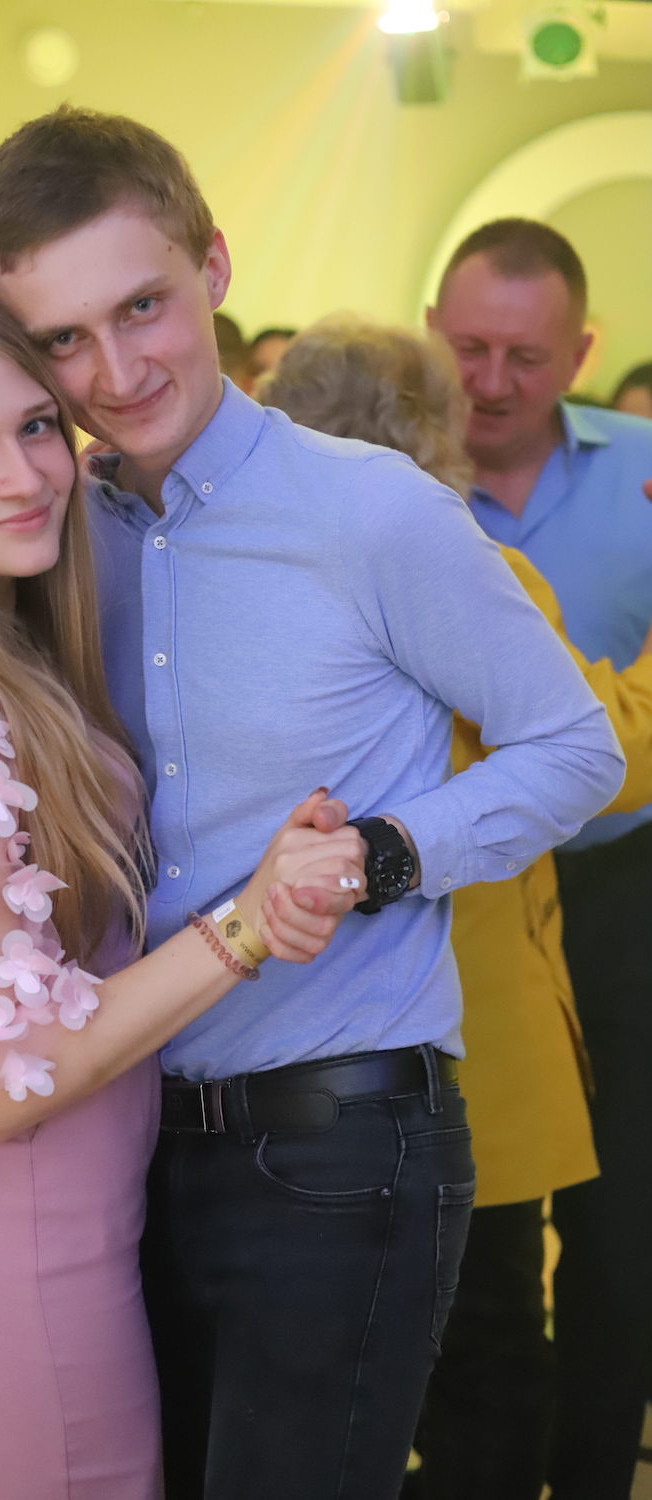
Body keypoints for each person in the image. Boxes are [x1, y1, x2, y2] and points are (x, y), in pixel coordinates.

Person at [0, 108, 625, 1500]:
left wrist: (378, 856)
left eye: (143, 306)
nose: (116, 371)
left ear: (212, 263)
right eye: (64, 340)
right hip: (126, 1137)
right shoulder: (57, 539)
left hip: (341, 1141)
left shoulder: (374, 513)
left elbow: (575, 748)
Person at [0, 279, 366, 1500]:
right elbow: (4, 1079)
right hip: (24, 1243)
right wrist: (245, 923)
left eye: (34, 427)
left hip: (50, 1220)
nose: (25, 476)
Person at [264, 313, 652, 1500]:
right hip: (465, 1038)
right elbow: (609, 759)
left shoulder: (243, 586)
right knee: (485, 1361)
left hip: (280, 1039)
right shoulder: (473, 571)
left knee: (330, 1371)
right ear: (432, 431)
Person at [428, 216, 652, 1500]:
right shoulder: (390, 494)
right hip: (459, 918)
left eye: (525, 355)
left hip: (621, 900)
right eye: (468, 347)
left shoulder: (643, 475)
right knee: (480, 1235)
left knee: (622, 1234)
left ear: (580, 350)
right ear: (430, 334)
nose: (492, 382)